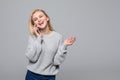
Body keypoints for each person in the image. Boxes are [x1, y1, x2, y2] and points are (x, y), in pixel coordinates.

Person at [25, 9, 76, 80]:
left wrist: (64, 45)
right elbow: (32, 58)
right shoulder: (33, 37)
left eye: (41, 16)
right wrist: (39, 38)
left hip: (49, 77)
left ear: (47, 18)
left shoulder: (58, 37)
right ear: (34, 24)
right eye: (35, 19)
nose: (39, 20)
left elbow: (56, 61)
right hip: (32, 76)